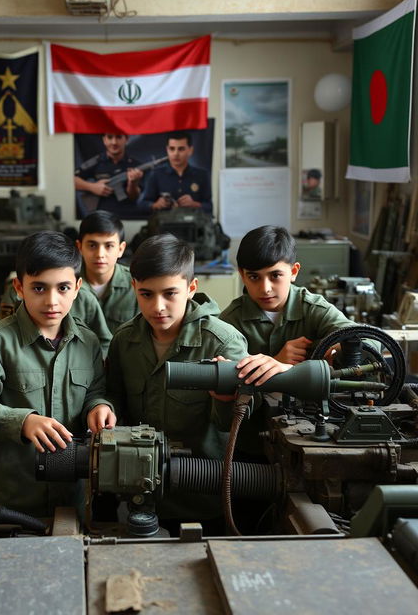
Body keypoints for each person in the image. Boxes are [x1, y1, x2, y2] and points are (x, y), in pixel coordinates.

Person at [105, 234, 286, 530]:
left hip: (203, 499)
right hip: (138, 493)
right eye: (146, 294)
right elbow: (114, 395)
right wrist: (104, 407)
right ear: (134, 287)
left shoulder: (222, 342)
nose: (158, 306)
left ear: (191, 288)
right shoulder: (124, 340)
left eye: (170, 293)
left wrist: (226, 397)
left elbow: (238, 422)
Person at [0, 231, 115, 518]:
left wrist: (99, 406)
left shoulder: (88, 342)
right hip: (6, 500)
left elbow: (95, 391)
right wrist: (23, 421)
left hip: (69, 497)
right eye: (39, 288)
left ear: (78, 287)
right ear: (18, 286)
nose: (52, 301)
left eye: (63, 288)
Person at [219, 225, 356, 363]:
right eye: (254, 277)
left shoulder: (313, 308)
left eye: (275, 275)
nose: (265, 288)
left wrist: (336, 349)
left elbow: (370, 340)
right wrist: (275, 362)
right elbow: (229, 375)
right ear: (242, 275)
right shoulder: (230, 321)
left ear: (294, 272)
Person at [75, 210, 138, 333]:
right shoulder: (67, 285)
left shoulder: (137, 285)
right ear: (80, 247)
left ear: (121, 249)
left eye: (109, 246)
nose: (100, 254)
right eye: (92, 245)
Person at [139, 131, 212, 214]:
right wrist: (155, 205)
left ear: (190, 150)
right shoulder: (156, 174)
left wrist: (195, 204)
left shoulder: (202, 175)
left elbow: (211, 206)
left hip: (193, 224)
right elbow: (141, 205)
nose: (175, 154)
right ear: (167, 150)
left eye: (181, 149)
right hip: (164, 225)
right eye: (172, 149)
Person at [74, 133, 144, 219]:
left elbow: (134, 197)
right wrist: (92, 187)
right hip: (102, 216)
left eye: (118, 137)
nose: (114, 142)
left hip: (129, 216)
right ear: (104, 140)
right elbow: (72, 181)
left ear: (126, 139)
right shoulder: (96, 162)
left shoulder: (135, 165)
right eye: (110, 137)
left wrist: (132, 183)